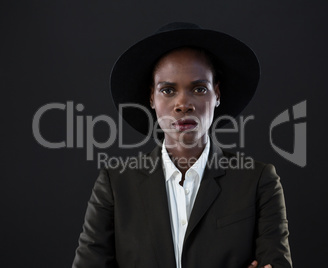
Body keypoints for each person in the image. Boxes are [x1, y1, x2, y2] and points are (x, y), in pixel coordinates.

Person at [73, 22, 292, 268]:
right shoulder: (114, 184)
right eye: (167, 90)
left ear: (217, 94)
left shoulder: (259, 181)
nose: (183, 103)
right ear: (151, 98)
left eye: (199, 88)